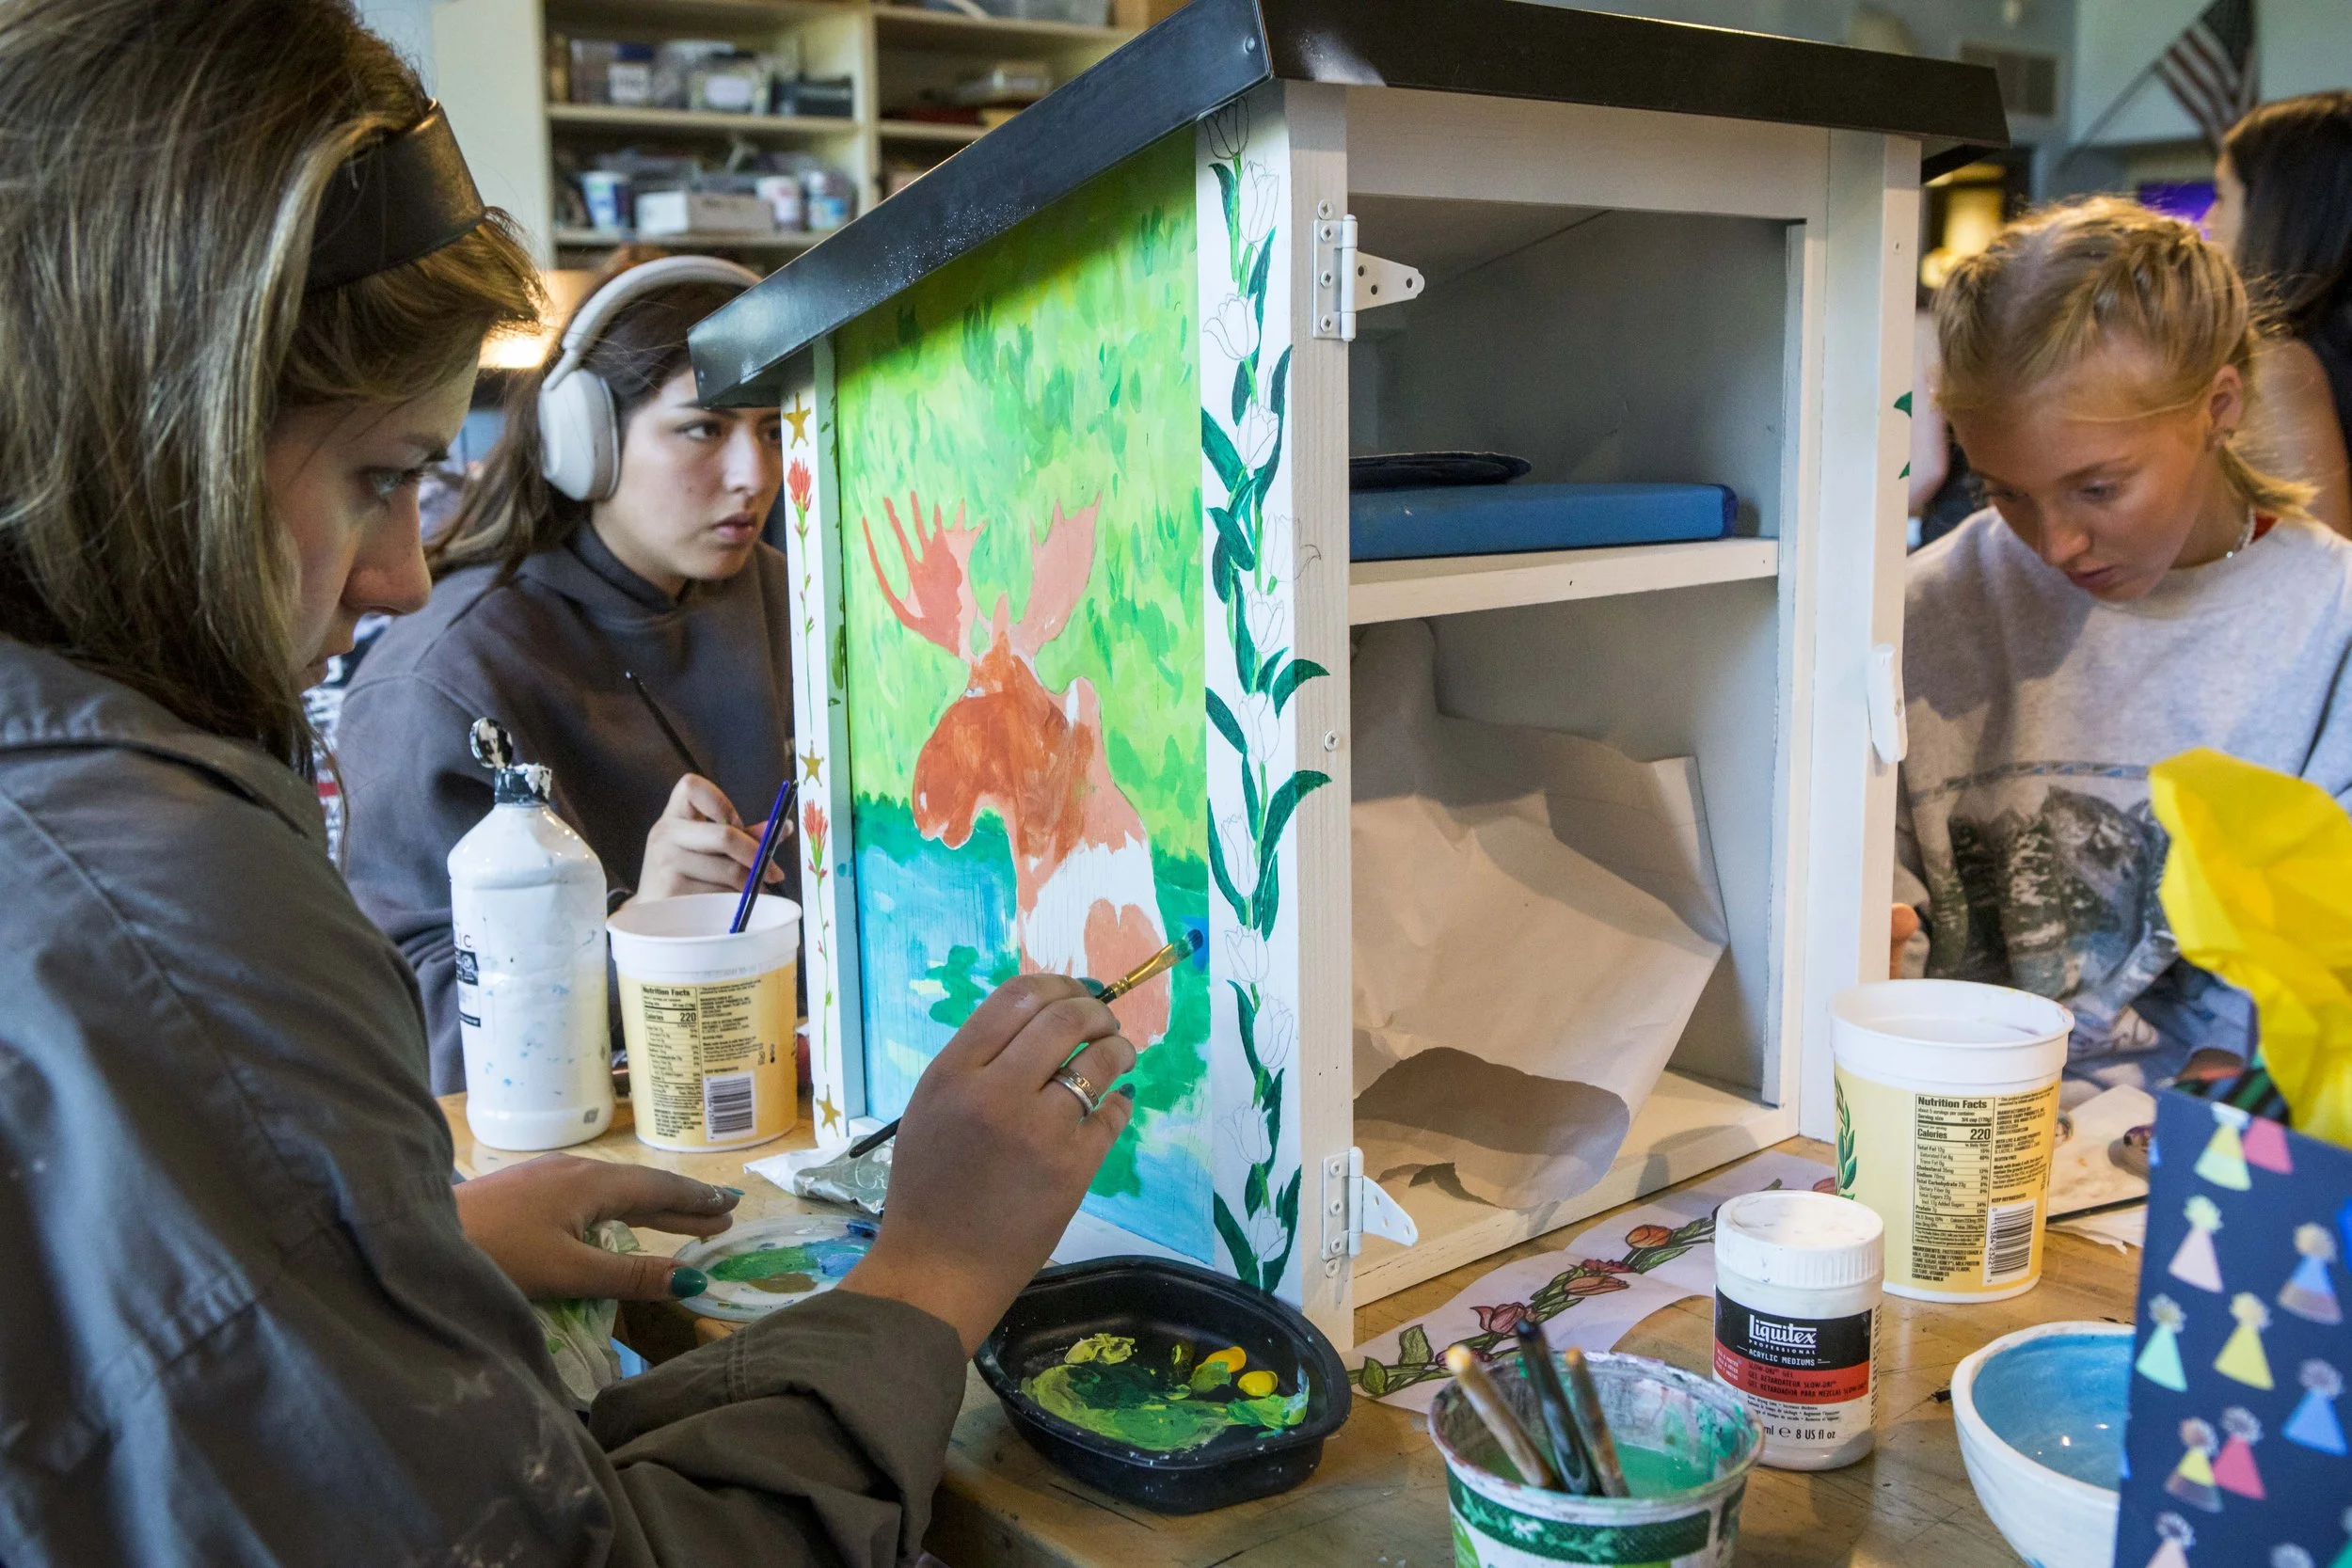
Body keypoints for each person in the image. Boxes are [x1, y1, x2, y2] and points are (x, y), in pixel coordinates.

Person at [0, 3, 1135, 1562]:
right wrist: (931, 1278)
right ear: (163, 429)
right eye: (379, 477)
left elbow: (163, 1299)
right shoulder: (186, 882)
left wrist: (411, 1246)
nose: (400, 572)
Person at [1893, 197, 2352, 1090]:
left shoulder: (2330, 619)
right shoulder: (1926, 606)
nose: (2057, 542)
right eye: (2009, 493)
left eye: (2098, 488)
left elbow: (2310, 987)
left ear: (2220, 404)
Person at [339, 252, 794, 1093]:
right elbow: (419, 1031)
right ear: (585, 440)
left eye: (772, 429)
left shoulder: (787, 593)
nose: (755, 476)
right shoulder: (445, 674)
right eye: (704, 428)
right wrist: (634, 934)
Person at [2211, 90, 2352, 537]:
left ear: (2274, 212)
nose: (2210, 221)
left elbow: (2327, 573)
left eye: (2223, 197)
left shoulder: (2279, 365)